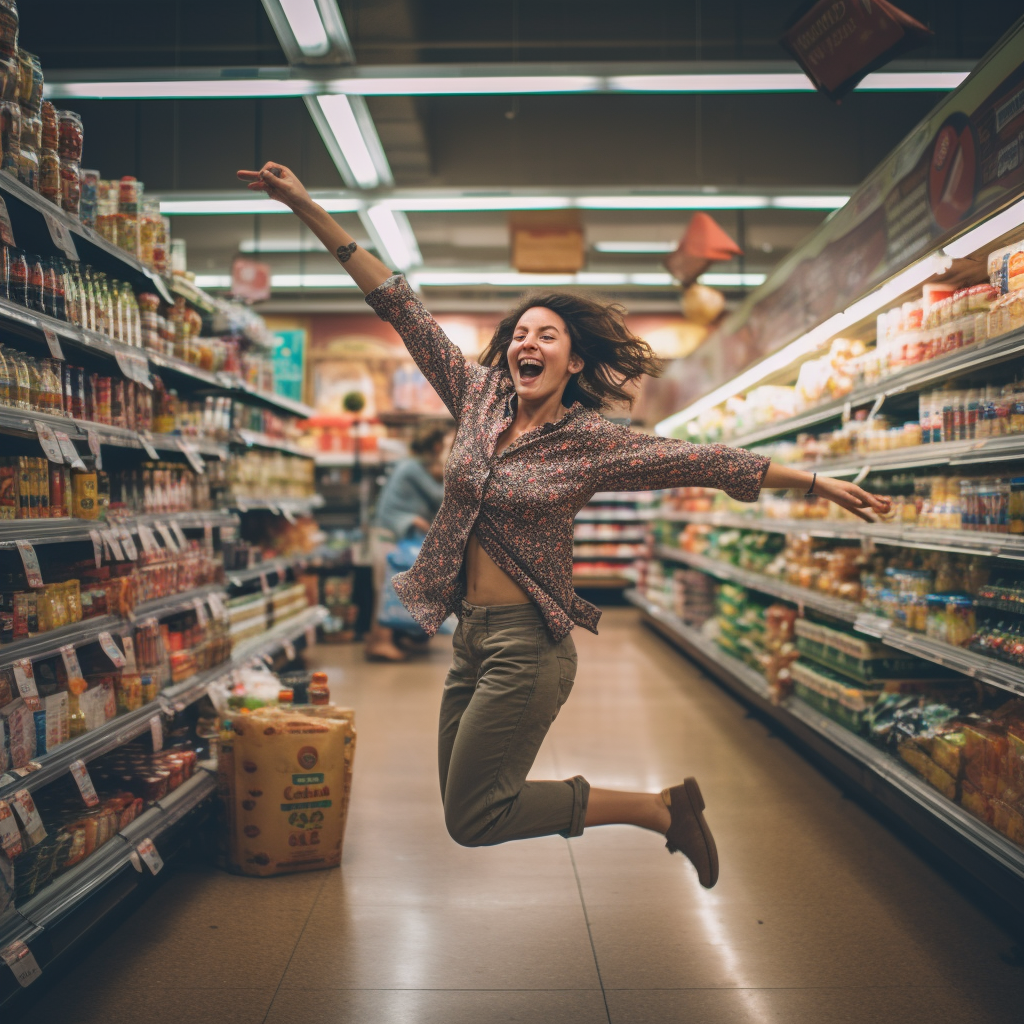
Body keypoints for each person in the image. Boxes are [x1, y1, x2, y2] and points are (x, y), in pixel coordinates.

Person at [237, 161, 892, 889]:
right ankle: (663, 808)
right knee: (466, 809)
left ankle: (659, 811)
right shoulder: (477, 395)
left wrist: (814, 481)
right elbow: (396, 302)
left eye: (547, 335)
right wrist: (306, 206)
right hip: (468, 638)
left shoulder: (594, 441)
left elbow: (700, 458)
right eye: (521, 333)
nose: (529, 343)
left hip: (529, 647)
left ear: (573, 359)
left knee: (475, 817)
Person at [367, 425, 450, 662]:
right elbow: (439, 496)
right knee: (388, 588)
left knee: (388, 586)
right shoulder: (412, 467)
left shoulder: (412, 465)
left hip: (391, 532)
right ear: (436, 446)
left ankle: (387, 638)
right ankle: (380, 642)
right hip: (389, 534)